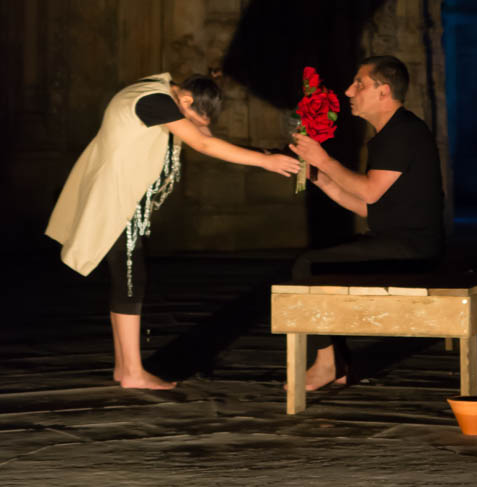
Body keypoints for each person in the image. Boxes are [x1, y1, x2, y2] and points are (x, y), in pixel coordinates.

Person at [46, 72, 298, 390]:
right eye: (192, 119)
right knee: (130, 280)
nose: (192, 126)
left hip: (122, 201)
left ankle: (125, 367)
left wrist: (265, 153)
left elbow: (204, 135)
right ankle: (132, 372)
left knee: (128, 279)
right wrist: (265, 163)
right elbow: (203, 143)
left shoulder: (163, 93)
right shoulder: (154, 100)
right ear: (187, 100)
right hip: (116, 203)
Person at [289, 55, 444, 391]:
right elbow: (368, 207)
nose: (348, 91)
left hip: (414, 251)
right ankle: (338, 362)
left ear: (383, 91)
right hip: (399, 242)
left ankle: (327, 363)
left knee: (309, 266)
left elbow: (370, 192)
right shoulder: (392, 132)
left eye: (359, 83)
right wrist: (319, 177)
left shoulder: (402, 132)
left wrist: (324, 160)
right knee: (317, 264)